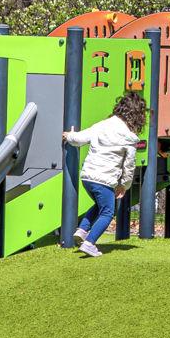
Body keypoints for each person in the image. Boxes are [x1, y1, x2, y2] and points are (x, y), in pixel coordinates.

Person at [62, 91, 145, 257]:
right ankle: (90, 242)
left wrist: (69, 135)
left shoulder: (102, 125)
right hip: (105, 179)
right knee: (108, 212)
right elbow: (129, 166)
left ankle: (82, 230)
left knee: (102, 205)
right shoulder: (129, 138)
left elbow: (80, 139)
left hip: (87, 176)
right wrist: (124, 185)